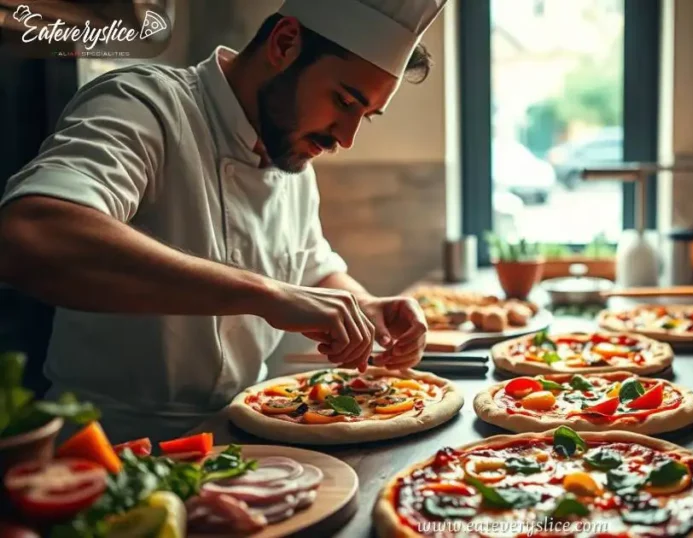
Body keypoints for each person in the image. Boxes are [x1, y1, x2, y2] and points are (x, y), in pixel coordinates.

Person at [0, 0, 448, 442]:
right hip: (110, 446)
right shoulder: (145, 104)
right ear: (285, 42)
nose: (346, 138)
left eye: (364, 117)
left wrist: (365, 306)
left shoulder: (290, 159)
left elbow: (311, 268)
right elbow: (32, 233)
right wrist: (264, 294)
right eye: (344, 101)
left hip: (239, 437)